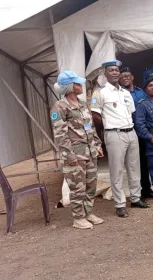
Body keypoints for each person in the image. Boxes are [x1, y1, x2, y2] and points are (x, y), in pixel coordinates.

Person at [91, 60, 149, 218]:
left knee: (134, 167)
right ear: (105, 74)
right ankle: (120, 204)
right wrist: (108, 123)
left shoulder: (125, 93)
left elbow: (131, 111)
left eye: (117, 70)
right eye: (111, 70)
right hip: (114, 133)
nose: (115, 73)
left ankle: (136, 198)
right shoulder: (100, 92)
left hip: (131, 132)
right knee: (117, 171)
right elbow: (95, 114)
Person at [51, 71, 104, 229]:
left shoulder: (82, 104)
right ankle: (78, 217)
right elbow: (60, 134)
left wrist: (97, 144)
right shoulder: (59, 107)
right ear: (69, 87)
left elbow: (90, 127)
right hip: (75, 154)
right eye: (76, 83)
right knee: (77, 187)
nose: (80, 85)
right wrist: (69, 155)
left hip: (89, 152)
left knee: (90, 185)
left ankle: (88, 212)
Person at [119, 67, 153, 198]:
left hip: (144, 131)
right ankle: (136, 192)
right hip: (129, 130)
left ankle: (146, 188)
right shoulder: (119, 93)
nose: (125, 78)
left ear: (132, 77)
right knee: (133, 163)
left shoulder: (141, 93)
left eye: (128, 75)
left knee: (145, 161)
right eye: (122, 76)